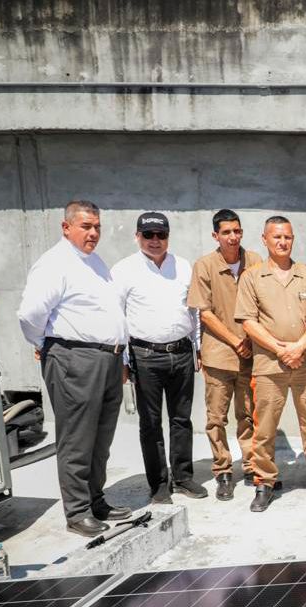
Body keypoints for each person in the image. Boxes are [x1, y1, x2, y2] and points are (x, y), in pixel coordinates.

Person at [17, 200, 131, 537]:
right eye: (86, 226)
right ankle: (77, 511)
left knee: (100, 438)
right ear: (66, 227)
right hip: (74, 359)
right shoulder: (54, 264)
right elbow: (29, 314)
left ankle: (95, 499)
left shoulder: (94, 262)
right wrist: (44, 344)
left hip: (107, 360)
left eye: (97, 226)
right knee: (77, 438)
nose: (93, 232)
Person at [234, 216, 306, 512]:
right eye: (277, 237)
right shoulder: (252, 276)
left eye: (288, 237)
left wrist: (300, 346)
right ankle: (265, 481)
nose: (282, 242)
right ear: (265, 239)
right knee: (265, 427)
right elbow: (247, 321)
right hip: (269, 365)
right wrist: (279, 349)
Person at [112, 212, 207, 504]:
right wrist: (124, 362)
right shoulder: (124, 270)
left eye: (160, 235)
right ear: (137, 236)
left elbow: (195, 311)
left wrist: (197, 347)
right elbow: (117, 317)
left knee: (181, 419)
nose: (155, 241)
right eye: (148, 235)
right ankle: (159, 483)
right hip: (145, 357)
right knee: (150, 423)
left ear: (168, 236)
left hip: (180, 353)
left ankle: (183, 476)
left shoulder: (182, 266)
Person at [188, 209, 261, 501]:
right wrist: (234, 340)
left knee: (248, 414)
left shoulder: (255, 261)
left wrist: (249, 341)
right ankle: (223, 471)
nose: (233, 237)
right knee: (217, 417)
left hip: (251, 353)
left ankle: (254, 466)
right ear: (215, 235)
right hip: (219, 355)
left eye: (237, 231)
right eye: (226, 232)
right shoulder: (204, 266)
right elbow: (204, 313)